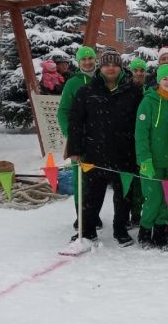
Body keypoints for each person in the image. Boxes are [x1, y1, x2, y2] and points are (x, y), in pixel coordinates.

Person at [67, 50, 143, 246]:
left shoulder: (133, 91)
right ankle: (87, 231)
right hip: (95, 151)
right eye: (107, 64)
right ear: (101, 67)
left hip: (124, 152)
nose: (111, 68)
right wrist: (74, 149)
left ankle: (120, 230)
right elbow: (75, 122)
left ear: (120, 67)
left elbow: (141, 124)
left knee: (123, 196)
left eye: (115, 64)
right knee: (91, 195)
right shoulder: (87, 91)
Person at [57, 46, 103, 231]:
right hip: (81, 140)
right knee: (81, 180)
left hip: (100, 140)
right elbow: (63, 111)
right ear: (78, 62)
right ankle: (81, 216)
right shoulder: (73, 83)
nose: (87, 62)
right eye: (83, 59)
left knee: (97, 180)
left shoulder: (102, 79)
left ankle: (94, 215)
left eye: (90, 58)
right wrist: (72, 135)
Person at [135, 64, 168, 251]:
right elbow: (141, 133)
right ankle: (145, 232)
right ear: (159, 80)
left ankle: (160, 233)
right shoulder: (148, 102)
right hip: (151, 161)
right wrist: (144, 159)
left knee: (167, 199)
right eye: (165, 79)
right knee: (153, 198)